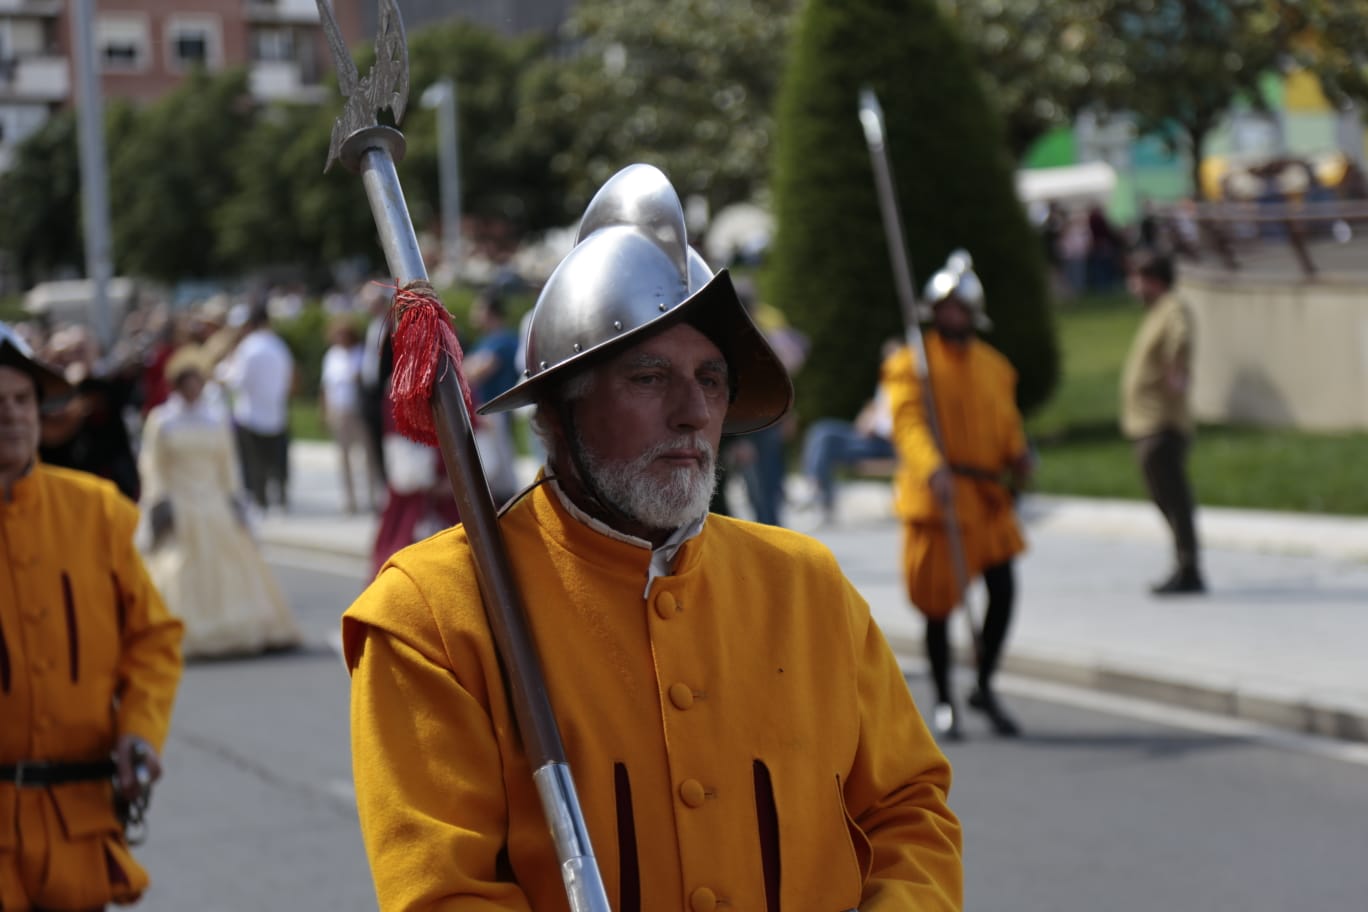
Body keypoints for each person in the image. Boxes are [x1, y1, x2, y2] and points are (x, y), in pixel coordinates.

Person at [341, 164, 962, 910]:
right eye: (647, 376)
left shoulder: (808, 585)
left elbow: (910, 811)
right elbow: (444, 892)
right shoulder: (432, 616)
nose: (692, 413)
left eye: (710, 379)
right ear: (558, 411)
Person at [0, 322, 183, 910]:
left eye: (23, 400)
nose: (12, 416)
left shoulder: (96, 511)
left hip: (78, 826)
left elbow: (154, 638)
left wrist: (139, 729)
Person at [883, 251, 1033, 741]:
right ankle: (945, 697)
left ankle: (984, 684)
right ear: (932, 311)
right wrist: (931, 468)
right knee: (937, 604)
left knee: (1005, 589)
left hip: (987, 497)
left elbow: (1006, 422)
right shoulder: (911, 364)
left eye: (959, 310)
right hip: (939, 495)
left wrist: (1020, 456)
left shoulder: (997, 367)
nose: (952, 317)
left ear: (973, 314)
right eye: (944, 309)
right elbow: (907, 423)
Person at [139, 345, 301, 658]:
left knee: (230, 567)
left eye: (197, 383)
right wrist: (159, 502)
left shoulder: (215, 419)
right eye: (187, 383)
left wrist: (236, 501)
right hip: (181, 503)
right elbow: (153, 466)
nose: (193, 390)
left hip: (213, 502)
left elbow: (228, 467)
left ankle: (234, 625)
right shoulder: (163, 420)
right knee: (180, 566)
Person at [1120, 251, 1204, 595]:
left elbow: (1180, 338)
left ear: (1154, 280)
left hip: (1162, 425)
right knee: (1164, 497)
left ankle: (1188, 568)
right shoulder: (1158, 312)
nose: (1134, 286)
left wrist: (1177, 369)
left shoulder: (1172, 307)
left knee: (1174, 497)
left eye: (1139, 278)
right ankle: (1185, 563)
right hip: (1148, 424)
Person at [795, 338, 900, 525]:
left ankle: (819, 496)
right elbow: (875, 409)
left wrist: (877, 427)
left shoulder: (910, 386)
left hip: (886, 443)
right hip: (868, 437)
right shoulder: (886, 383)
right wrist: (867, 418)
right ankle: (815, 487)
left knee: (827, 443)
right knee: (822, 429)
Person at [217, 305, 295, 511]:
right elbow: (288, 378)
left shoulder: (248, 347)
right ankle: (281, 498)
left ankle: (261, 501)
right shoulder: (279, 345)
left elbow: (238, 380)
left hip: (251, 414)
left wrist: (223, 376)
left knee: (254, 462)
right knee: (276, 460)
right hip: (276, 412)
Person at [463, 288, 523, 505]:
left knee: (501, 471)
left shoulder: (503, 340)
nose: (475, 312)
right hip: (487, 413)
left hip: (497, 412)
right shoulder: (486, 341)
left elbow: (474, 372)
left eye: (479, 307)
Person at [320, 316, 380, 514]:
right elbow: (326, 386)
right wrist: (324, 410)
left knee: (367, 454)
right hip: (339, 409)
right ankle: (349, 498)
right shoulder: (332, 355)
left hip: (358, 410)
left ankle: (372, 496)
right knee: (343, 456)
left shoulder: (360, 353)